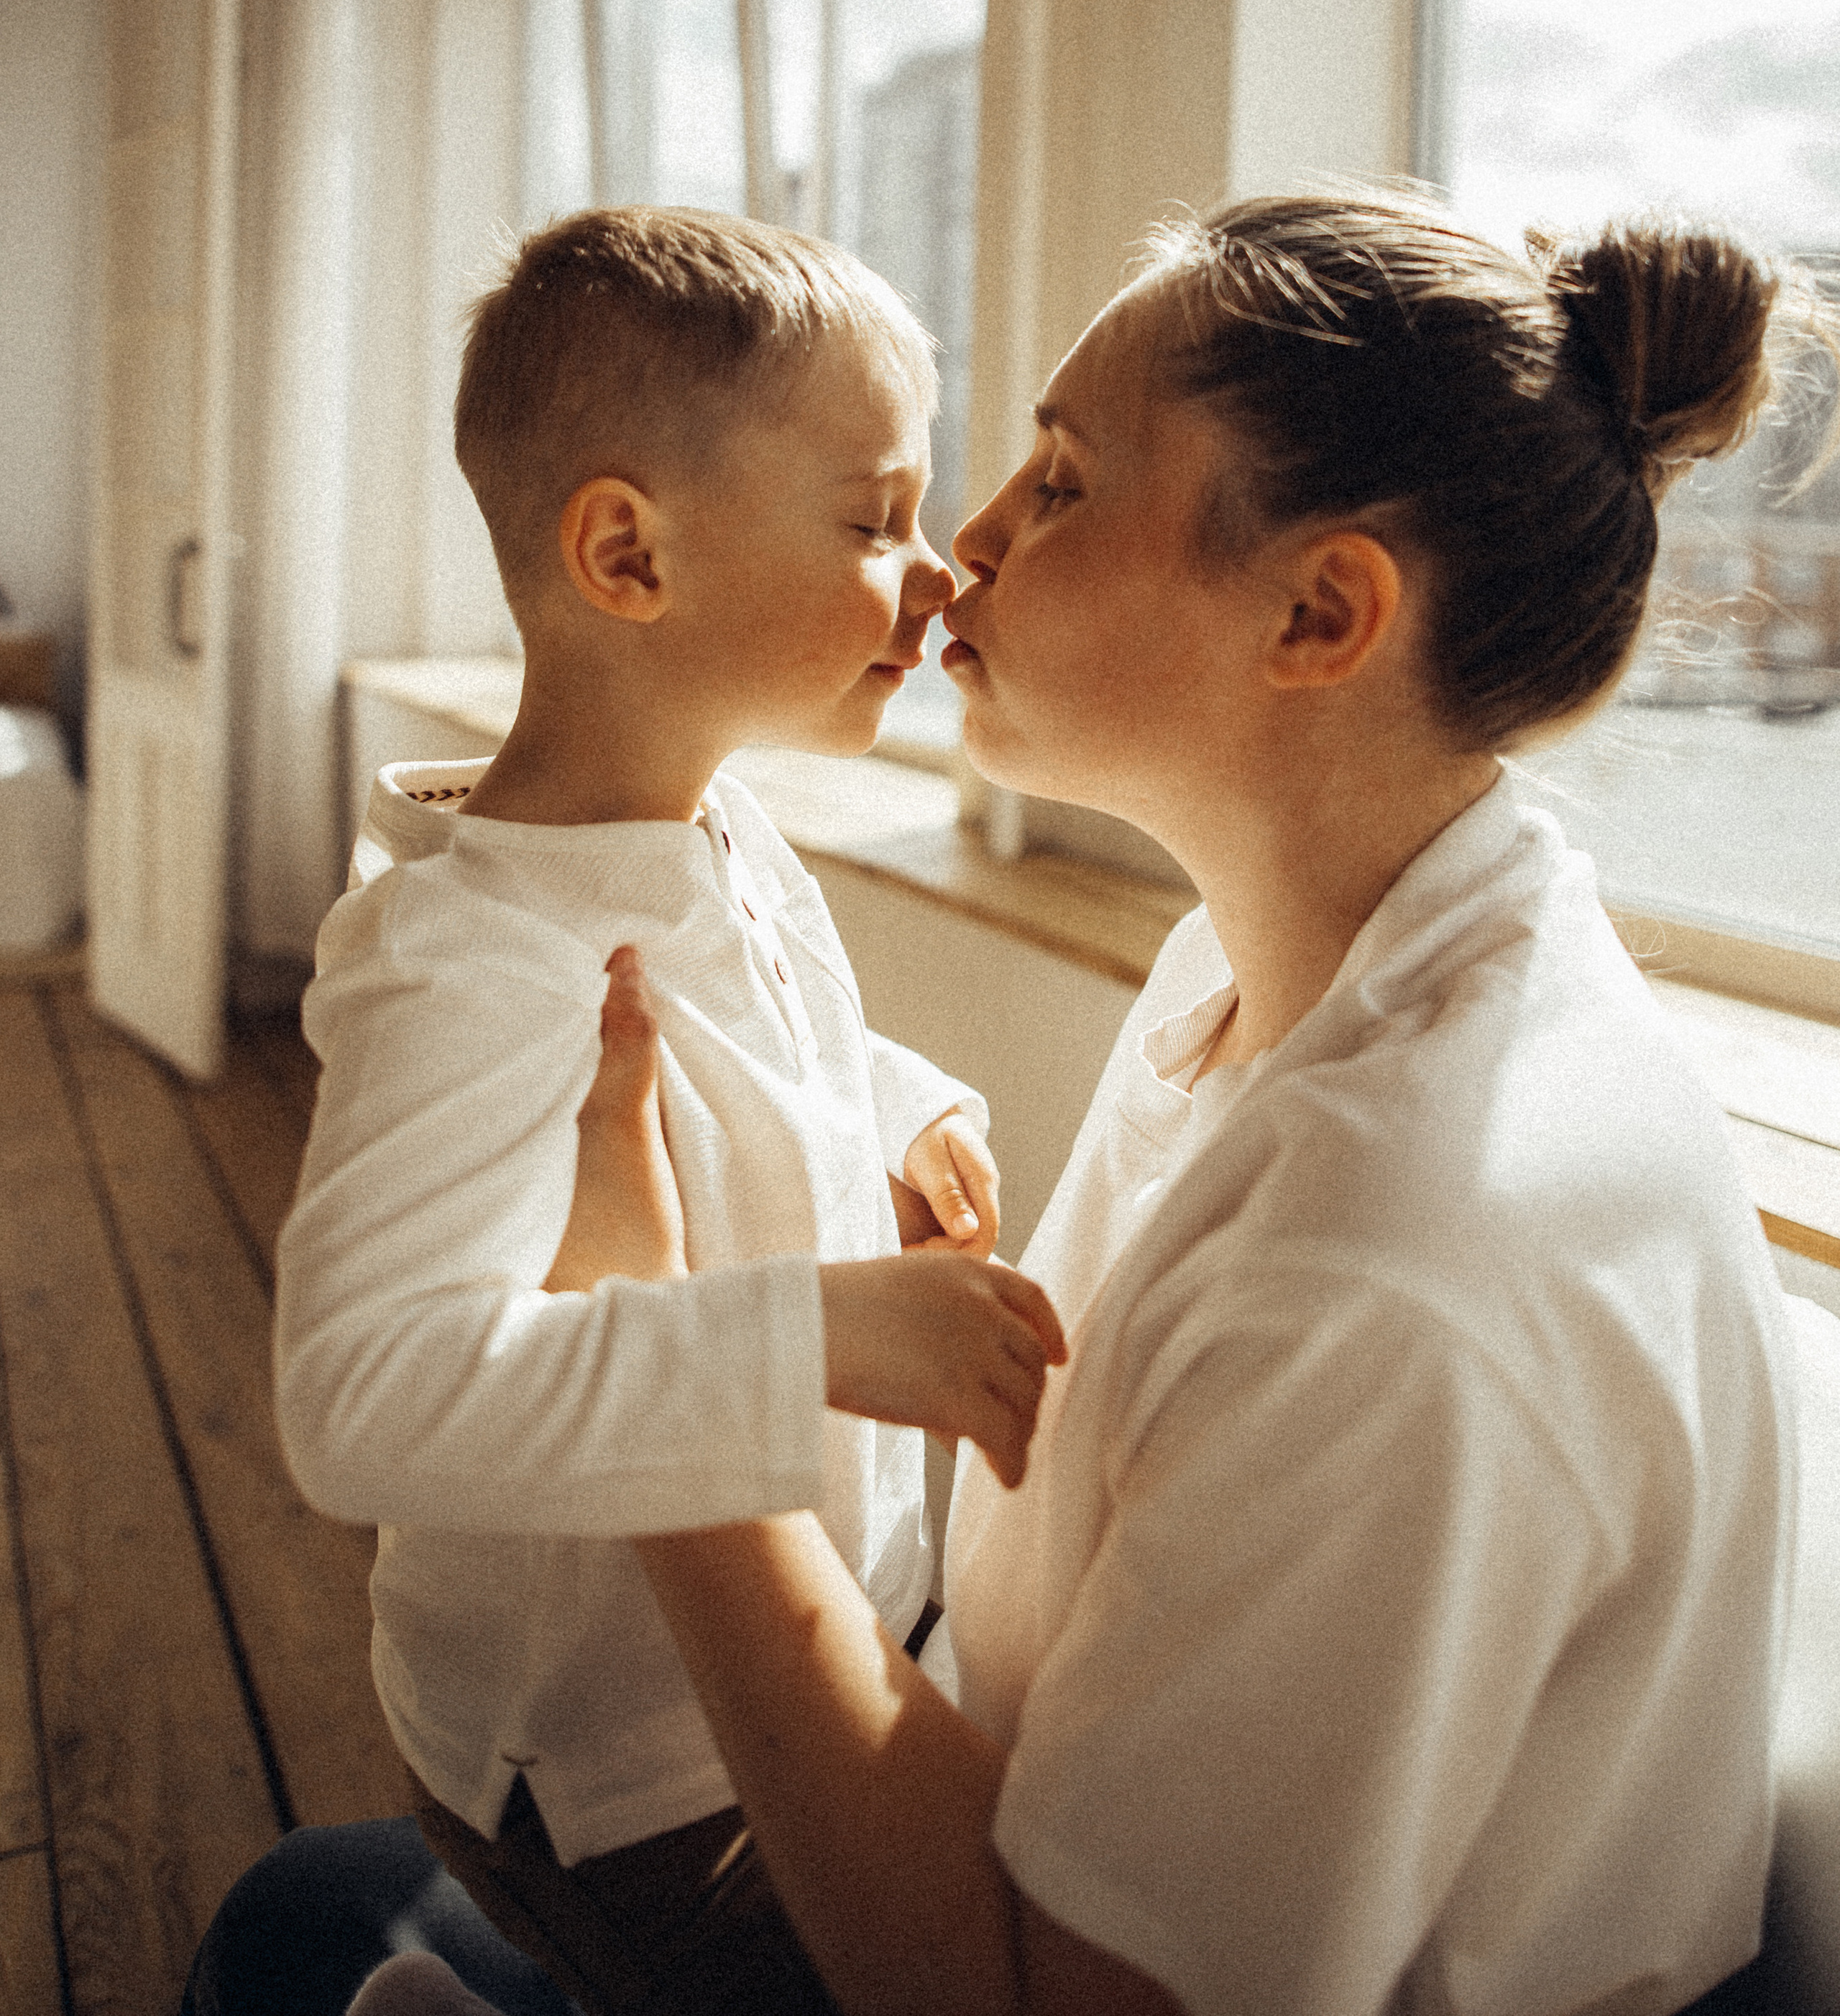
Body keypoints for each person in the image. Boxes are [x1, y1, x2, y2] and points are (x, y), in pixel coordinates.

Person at [569, 196, 1836, 2015]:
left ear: (1320, 611)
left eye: (1061, 483)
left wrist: (663, 1388)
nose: (963, 549)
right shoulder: (1295, 953)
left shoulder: (1392, 1262)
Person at [270, 207, 1059, 2016]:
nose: (933, 573)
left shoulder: (721, 825)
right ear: (627, 555)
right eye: (873, 520)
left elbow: (773, 1045)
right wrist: (820, 1335)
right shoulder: (465, 965)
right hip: (614, 1780)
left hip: (786, 1671)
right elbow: (359, 1399)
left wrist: (900, 1105)